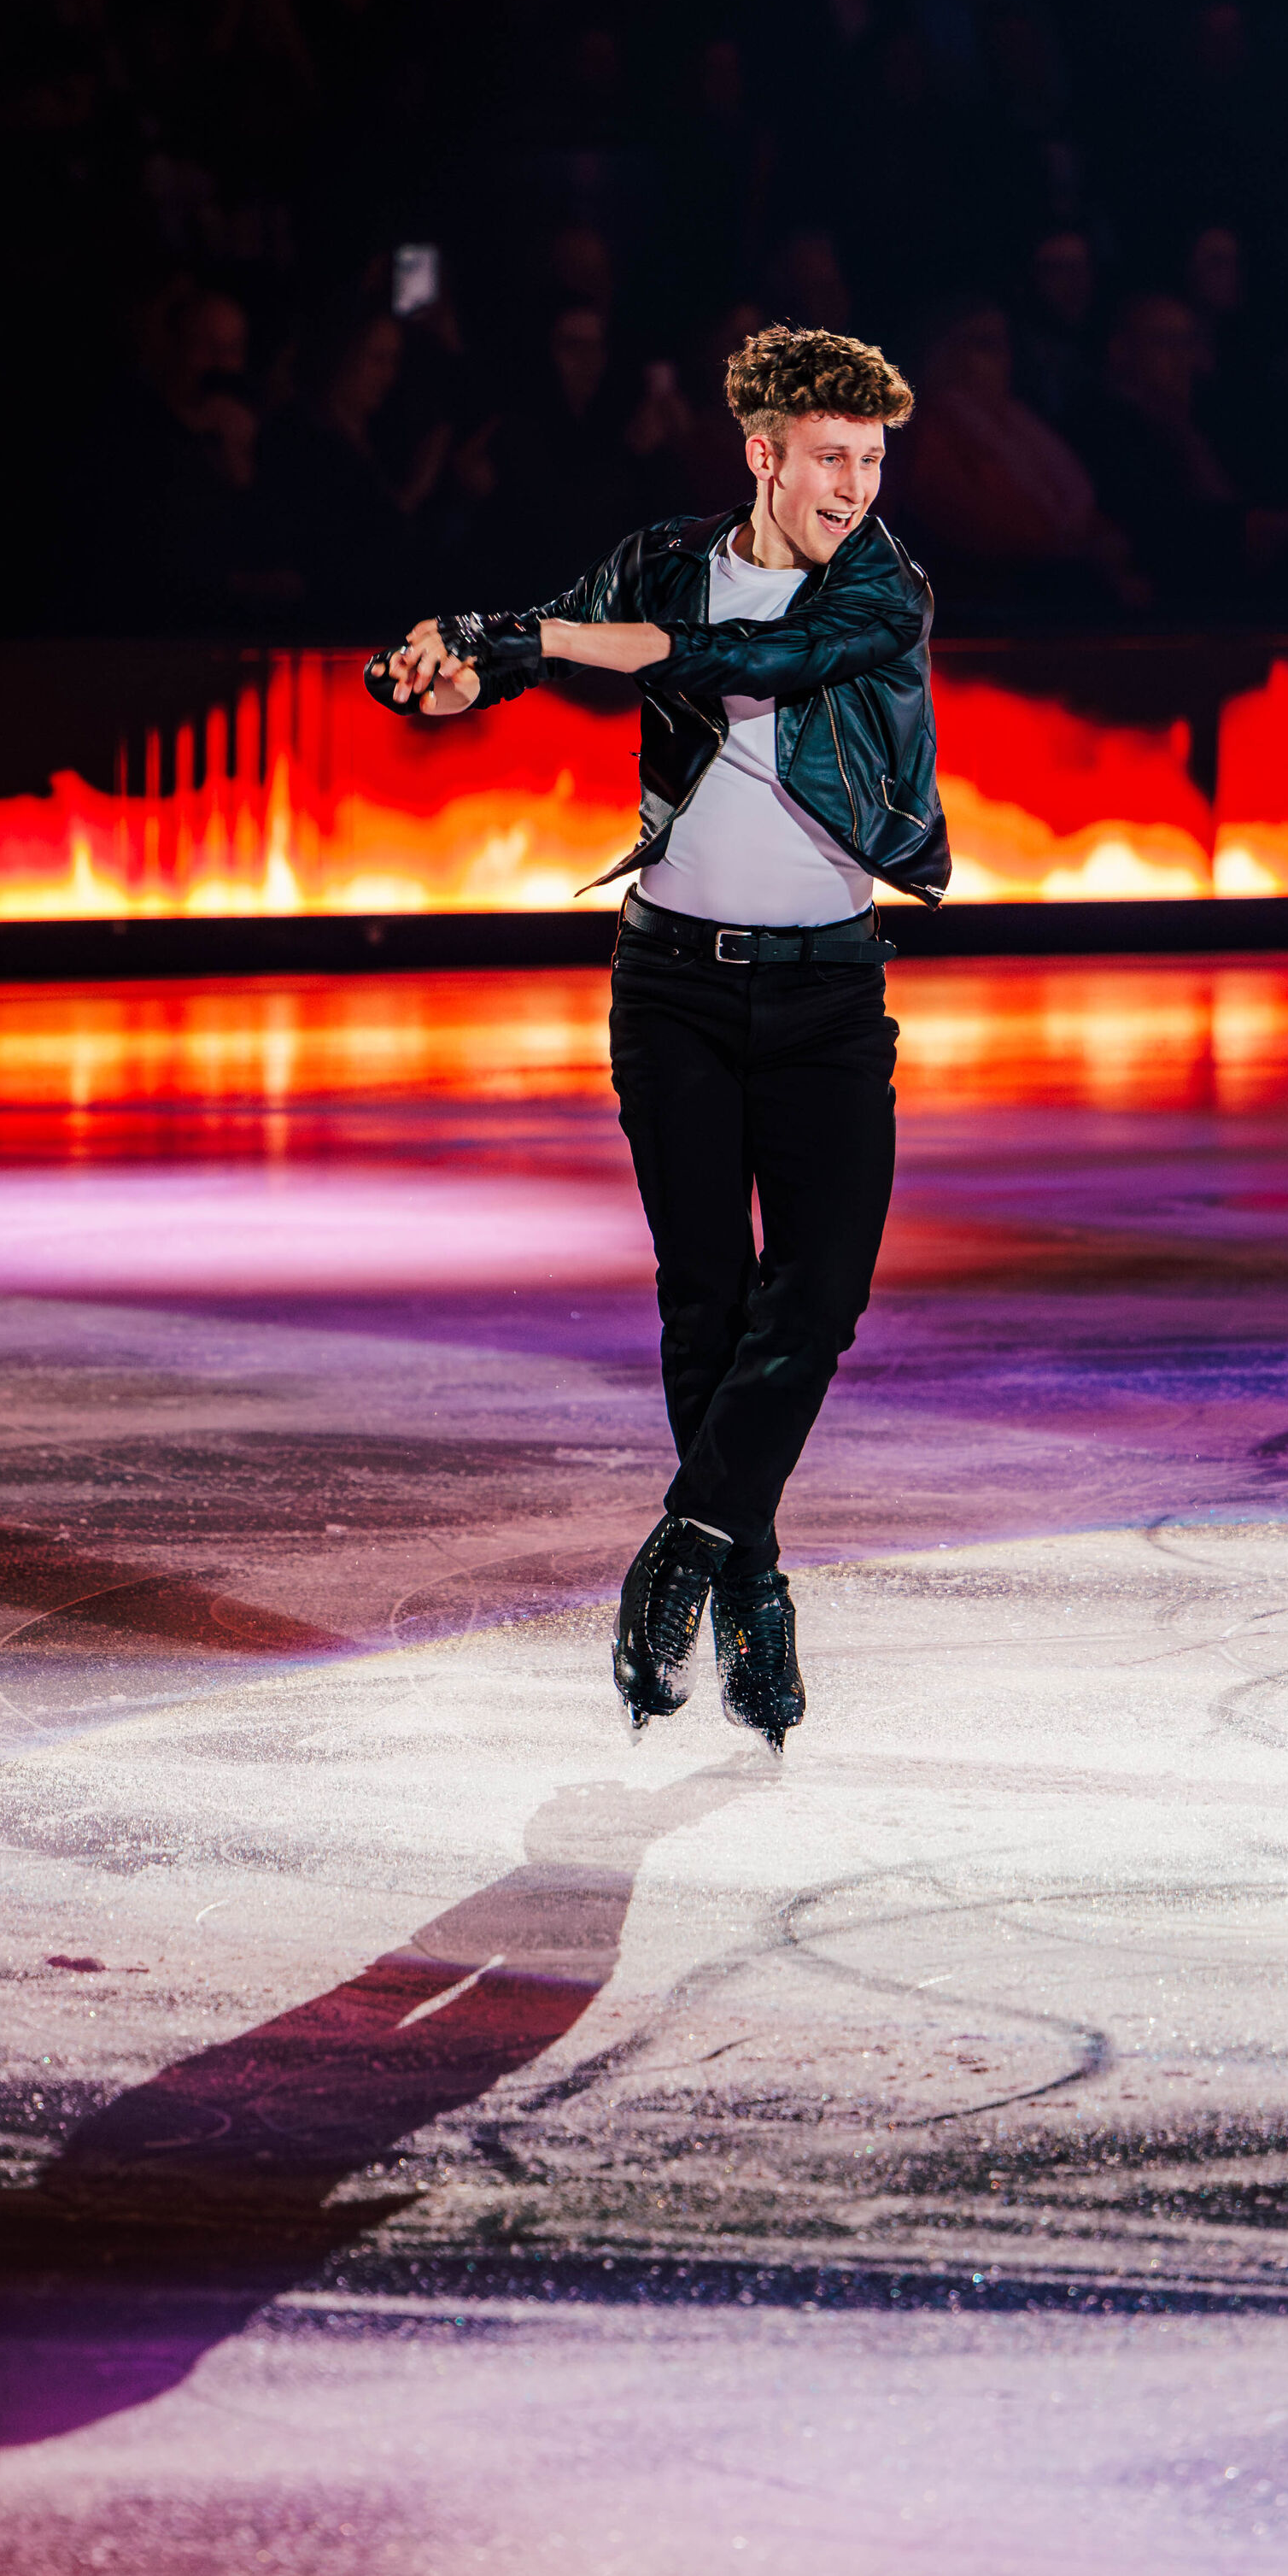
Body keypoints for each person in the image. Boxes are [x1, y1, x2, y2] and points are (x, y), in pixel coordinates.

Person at [368, 323, 947, 1752]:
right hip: (674, 990)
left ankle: (687, 1544)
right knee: (707, 1297)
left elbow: (734, 655)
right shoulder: (658, 556)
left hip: (826, 999)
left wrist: (532, 636)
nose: (854, 486)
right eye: (830, 458)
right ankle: (751, 1587)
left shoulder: (883, 587)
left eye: (871, 461)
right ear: (763, 453)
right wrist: (451, 677)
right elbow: (523, 656)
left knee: (816, 1297)